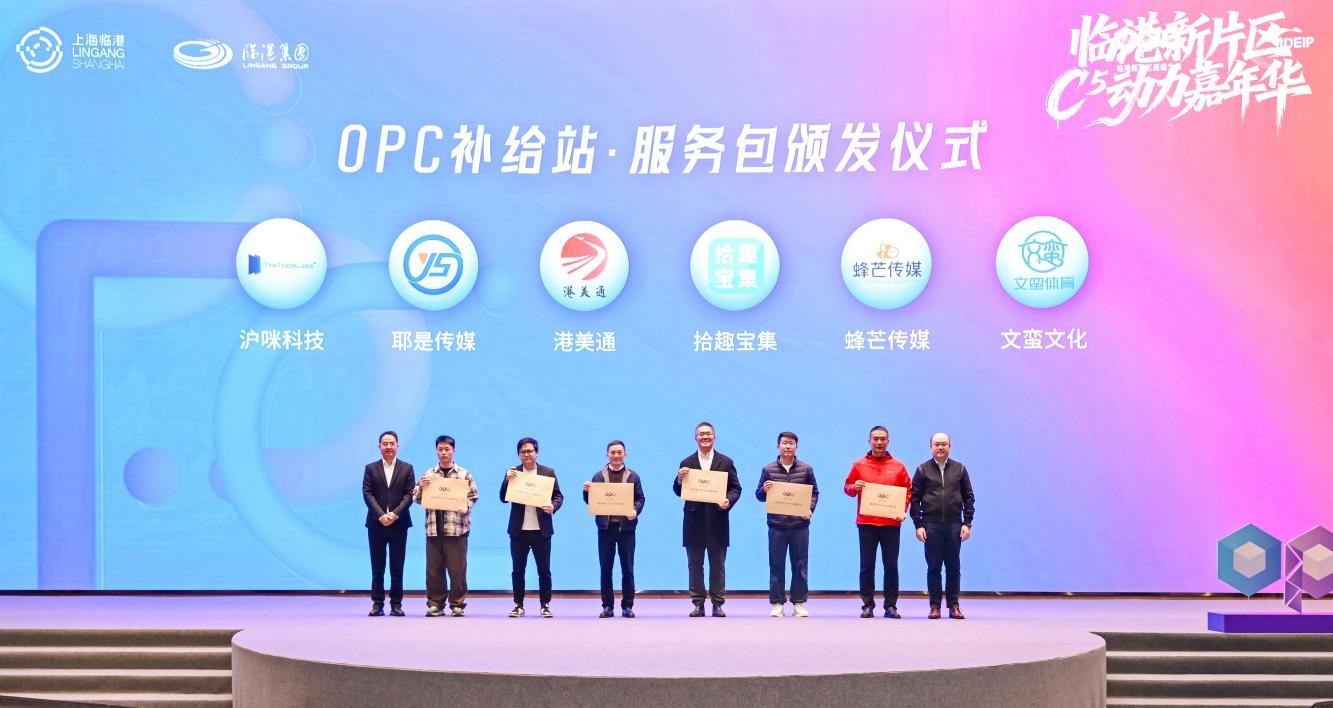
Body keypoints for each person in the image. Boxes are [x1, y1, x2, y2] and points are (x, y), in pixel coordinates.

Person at [673, 421, 742, 617]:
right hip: (693, 521)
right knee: (695, 565)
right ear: (695, 437)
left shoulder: (726, 462)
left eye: (708, 434)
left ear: (714, 437)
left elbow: (736, 488)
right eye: (701, 434)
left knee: (717, 565)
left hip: (718, 520)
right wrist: (679, 480)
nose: (705, 437)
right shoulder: (686, 463)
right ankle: (698, 603)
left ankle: (718, 603)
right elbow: (678, 491)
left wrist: (728, 501)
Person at [843, 425, 912, 619]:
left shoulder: (898, 466)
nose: (879, 442)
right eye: (875, 439)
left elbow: (908, 490)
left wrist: (902, 510)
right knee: (867, 566)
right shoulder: (859, 464)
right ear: (869, 441)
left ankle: (890, 606)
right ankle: (867, 605)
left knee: (891, 566)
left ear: (888, 441)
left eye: (882, 439)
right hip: (866, 523)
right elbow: (847, 488)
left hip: (891, 524)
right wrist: (854, 487)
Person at [411, 435, 479, 617]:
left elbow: (473, 496)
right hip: (434, 529)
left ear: (453, 450)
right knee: (433, 571)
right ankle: (435, 604)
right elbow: (416, 498)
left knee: (458, 571)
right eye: (440, 449)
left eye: (447, 449)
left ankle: (457, 604)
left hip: (457, 530)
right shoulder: (429, 474)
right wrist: (421, 487)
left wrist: (465, 506)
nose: (443, 452)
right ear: (436, 451)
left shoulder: (464, 474)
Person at [911, 432, 976, 620]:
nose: (940, 447)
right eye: (936, 444)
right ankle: (935, 606)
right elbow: (914, 499)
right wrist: (918, 525)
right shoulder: (922, 470)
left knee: (953, 567)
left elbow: (969, 497)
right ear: (931, 447)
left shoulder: (960, 469)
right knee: (934, 567)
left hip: (955, 524)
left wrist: (967, 523)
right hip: (930, 525)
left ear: (950, 446)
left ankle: (954, 606)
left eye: (944, 444)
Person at [755, 431, 819, 618]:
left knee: (800, 564)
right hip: (777, 525)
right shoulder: (768, 469)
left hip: (800, 526)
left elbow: (814, 493)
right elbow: (759, 496)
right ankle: (777, 603)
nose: (788, 446)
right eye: (784, 443)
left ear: (796, 446)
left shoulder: (806, 469)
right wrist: (763, 490)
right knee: (776, 565)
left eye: (791, 443)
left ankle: (799, 602)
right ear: (778, 446)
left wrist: (810, 509)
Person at [499, 437, 563, 618]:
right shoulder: (513, 473)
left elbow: (558, 496)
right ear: (518, 454)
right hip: (518, 531)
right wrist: (506, 480)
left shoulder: (548, 472)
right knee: (518, 570)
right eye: (523, 452)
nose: (527, 454)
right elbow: (503, 498)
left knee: (544, 571)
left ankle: (545, 605)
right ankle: (518, 605)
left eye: (530, 451)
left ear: (537, 453)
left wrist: (553, 506)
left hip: (541, 530)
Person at [582, 440, 646, 618]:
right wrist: (586, 492)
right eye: (613, 452)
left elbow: (640, 498)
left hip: (626, 529)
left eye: (619, 452)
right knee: (605, 569)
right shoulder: (598, 477)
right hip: (605, 529)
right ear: (607, 455)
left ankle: (627, 606)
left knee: (628, 569)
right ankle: (607, 606)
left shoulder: (633, 476)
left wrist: (635, 511)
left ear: (625, 454)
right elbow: (591, 502)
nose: (616, 455)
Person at [362, 430, 415, 617]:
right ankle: (377, 604)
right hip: (376, 524)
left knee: (397, 566)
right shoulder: (370, 468)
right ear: (379, 447)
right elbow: (367, 493)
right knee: (377, 567)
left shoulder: (407, 468)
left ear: (398, 446)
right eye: (385, 444)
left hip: (399, 524)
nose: (389, 447)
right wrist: (380, 515)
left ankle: (396, 604)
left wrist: (394, 514)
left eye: (392, 443)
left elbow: (410, 494)